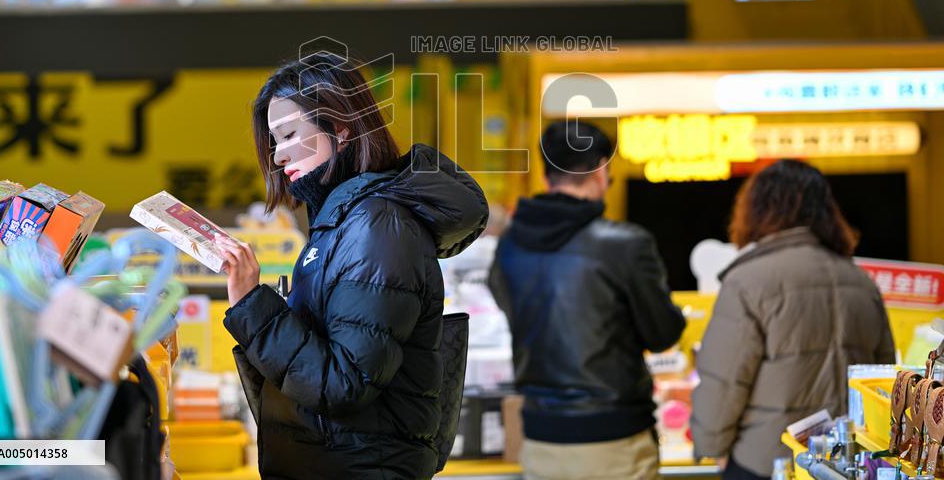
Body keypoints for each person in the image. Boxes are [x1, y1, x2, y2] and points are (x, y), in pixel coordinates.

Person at [217, 53, 489, 480]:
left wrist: (252, 305)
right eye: (273, 142)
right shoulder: (343, 221)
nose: (278, 156)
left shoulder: (376, 225)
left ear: (340, 128)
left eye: (289, 135)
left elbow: (344, 381)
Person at [489, 120, 686, 480]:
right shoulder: (623, 243)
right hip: (613, 437)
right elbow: (662, 334)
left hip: (539, 436)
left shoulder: (511, 244)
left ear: (549, 177)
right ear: (600, 171)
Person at [691, 160, 895, 480]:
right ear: (826, 211)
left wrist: (711, 447)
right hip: (845, 464)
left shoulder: (747, 281)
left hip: (766, 461)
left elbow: (725, 381)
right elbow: (881, 378)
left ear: (757, 209)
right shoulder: (861, 281)